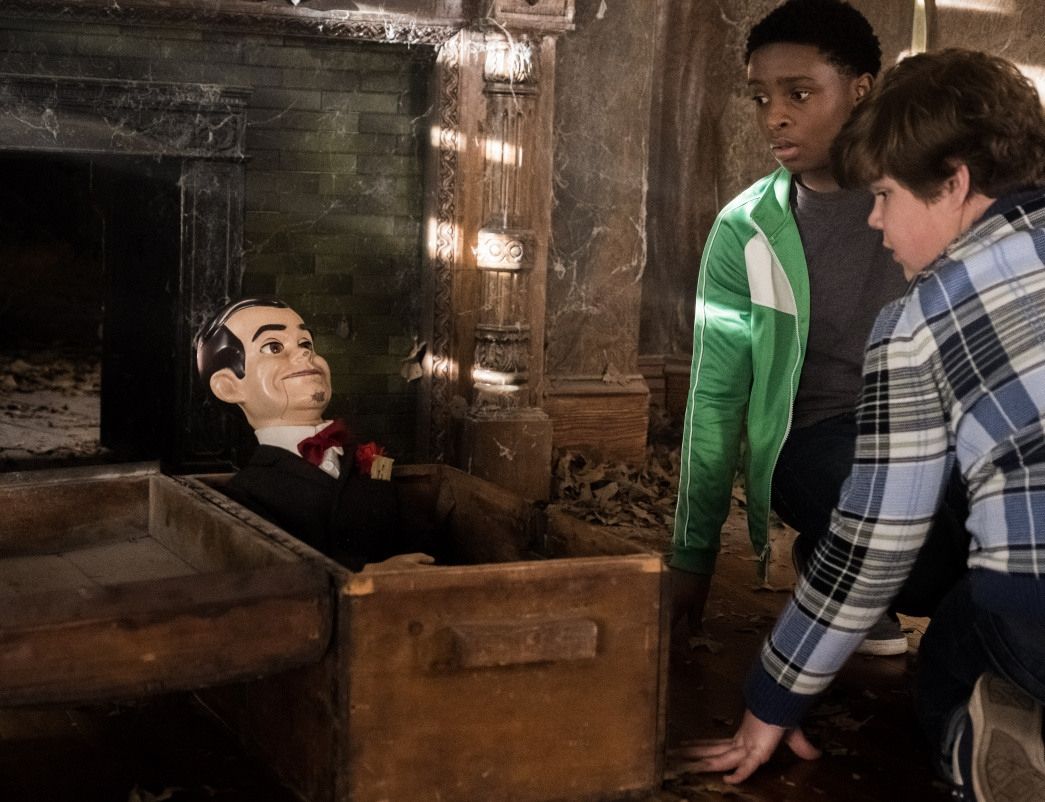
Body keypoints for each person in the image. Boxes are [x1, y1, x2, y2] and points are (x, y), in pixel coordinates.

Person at [677, 48, 1045, 800]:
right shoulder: (746, 227)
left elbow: (873, 544)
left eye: (883, 195)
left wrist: (772, 697)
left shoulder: (916, 324)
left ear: (953, 183)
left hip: (1032, 612)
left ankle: (984, 748)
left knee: (951, 652)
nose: (874, 218)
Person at [670, 0, 968, 656]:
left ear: (861, 90)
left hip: (924, 424)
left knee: (998, 523)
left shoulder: (927, 199)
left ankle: (846, 571)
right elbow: (715, 399)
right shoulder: (745, 231)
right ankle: (849, 566)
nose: (773, 115)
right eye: (760, 97)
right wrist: (691, 556)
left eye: (798, 94)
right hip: (811, 440)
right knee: (917, 556)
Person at [195, 296, 438, 571]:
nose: (304, 355)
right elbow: (283, 573)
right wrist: (368, 574)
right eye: (274, 347)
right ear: (228, 387)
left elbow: (418, 530)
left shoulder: (367, 454)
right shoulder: (246, 494)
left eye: (306, 343)